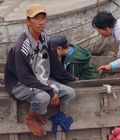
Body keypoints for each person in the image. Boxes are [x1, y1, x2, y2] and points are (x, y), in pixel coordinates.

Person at [4, 4, 76, 137]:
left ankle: (41, 113)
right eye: (36, 19)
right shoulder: (21, 47)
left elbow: (54, 63)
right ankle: (30, 118)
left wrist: (68, 77)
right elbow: (25, 77)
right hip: (20, 84)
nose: (41, 22)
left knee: (70, 93)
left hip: (40, 79)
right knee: (43, 97)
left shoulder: (44, 38)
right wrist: (49, 90)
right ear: (27, 21)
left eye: (43, 18)